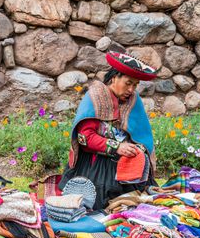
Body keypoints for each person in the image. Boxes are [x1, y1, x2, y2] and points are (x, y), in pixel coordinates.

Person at [59, 51, 158, 210]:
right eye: (128, 83)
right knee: (97, 207)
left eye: (135, 85)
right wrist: (117, 147)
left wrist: (136, 149)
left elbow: (141, 134)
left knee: (139, 205)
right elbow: (85, 138)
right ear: (114, 78)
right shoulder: (96, 97)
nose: (131, 89)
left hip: (126, 165)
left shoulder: (133, 100)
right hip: (96, 166)